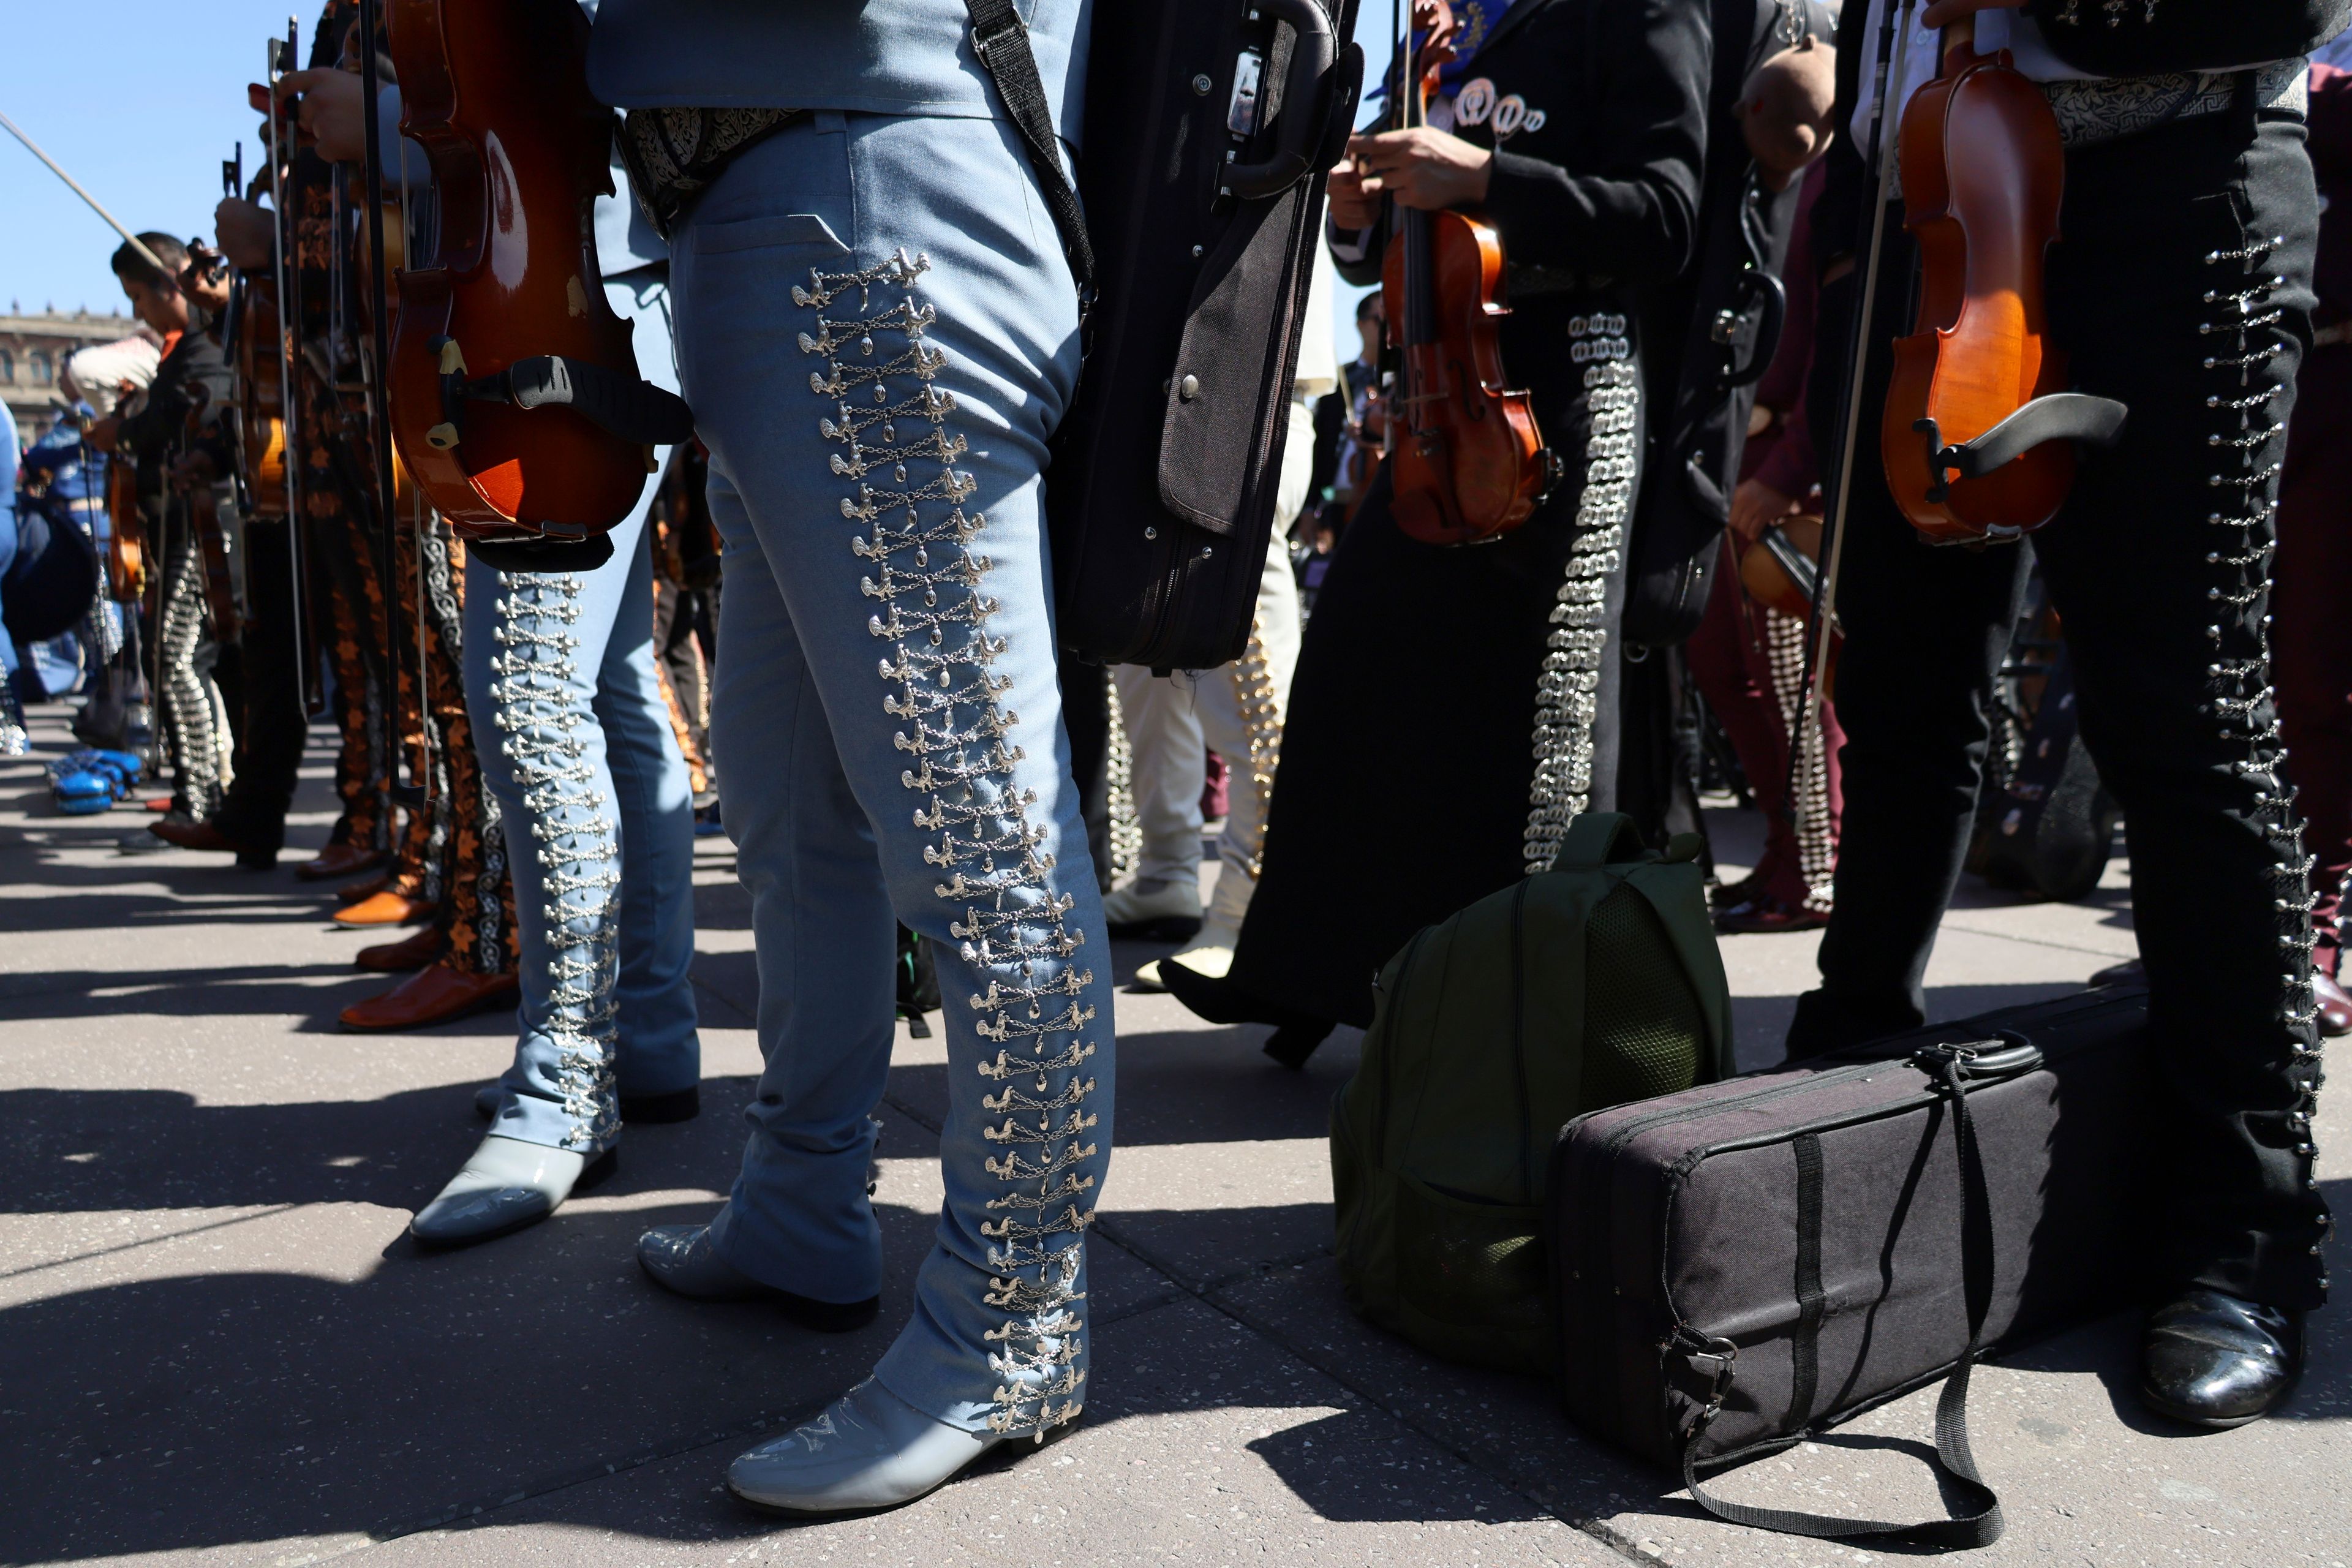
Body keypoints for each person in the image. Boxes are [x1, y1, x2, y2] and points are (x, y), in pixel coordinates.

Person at [282, 0, 1114, 1512]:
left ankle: (1012, 1325)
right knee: (796, 806)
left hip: (866, 198)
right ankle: (804, 1196)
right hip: (754, 220)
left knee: (971, 822)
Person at [1793, 0, 2331, 1427]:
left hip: (2172, 182)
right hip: (1933, 206)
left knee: (2182, 714)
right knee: (1899, 688)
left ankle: (2243, 1231)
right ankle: (1843, 1074)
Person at [1164, 0, 1710, 1061]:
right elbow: (1388, 250)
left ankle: (1540, 1015)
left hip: (1568, 391)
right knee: (1358, 666)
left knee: (1546, 717)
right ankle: (1313, 973)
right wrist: (1362, 213)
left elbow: (1670, 216)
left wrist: (1487, 179)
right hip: (1441, 391)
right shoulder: (1447, 26)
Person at [275, 53, 706, 1244]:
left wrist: (394, 129)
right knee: (611, 687)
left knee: (526, 685)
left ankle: (571, 1071)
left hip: (567, 287)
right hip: (601, 276)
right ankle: (646, 1037)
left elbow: (560, 92)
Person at [1107, 247, 1338, 990]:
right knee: (1139, 652)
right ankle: (1168, 870)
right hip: (1158, 369)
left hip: (1254, 372)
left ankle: (1249, 905)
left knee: (1248, 663)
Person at [85, 233, 239, 853]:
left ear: (170, 284)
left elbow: (180, 415)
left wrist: (125, 430)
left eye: (140, 296)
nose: (137, 312)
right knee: (171, 658)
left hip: (199, 527)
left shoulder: (202, 347)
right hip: (179, 526)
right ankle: (194, 791)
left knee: (177, 658)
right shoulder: (181, 349)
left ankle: (204, 795)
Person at [2272, 60, 2352, 1040]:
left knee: (2322, 677)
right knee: (2249, 668)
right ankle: (2267, 918)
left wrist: (2288, 75)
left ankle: (2323, 926)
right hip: (2276, 366)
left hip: (2343, 376)